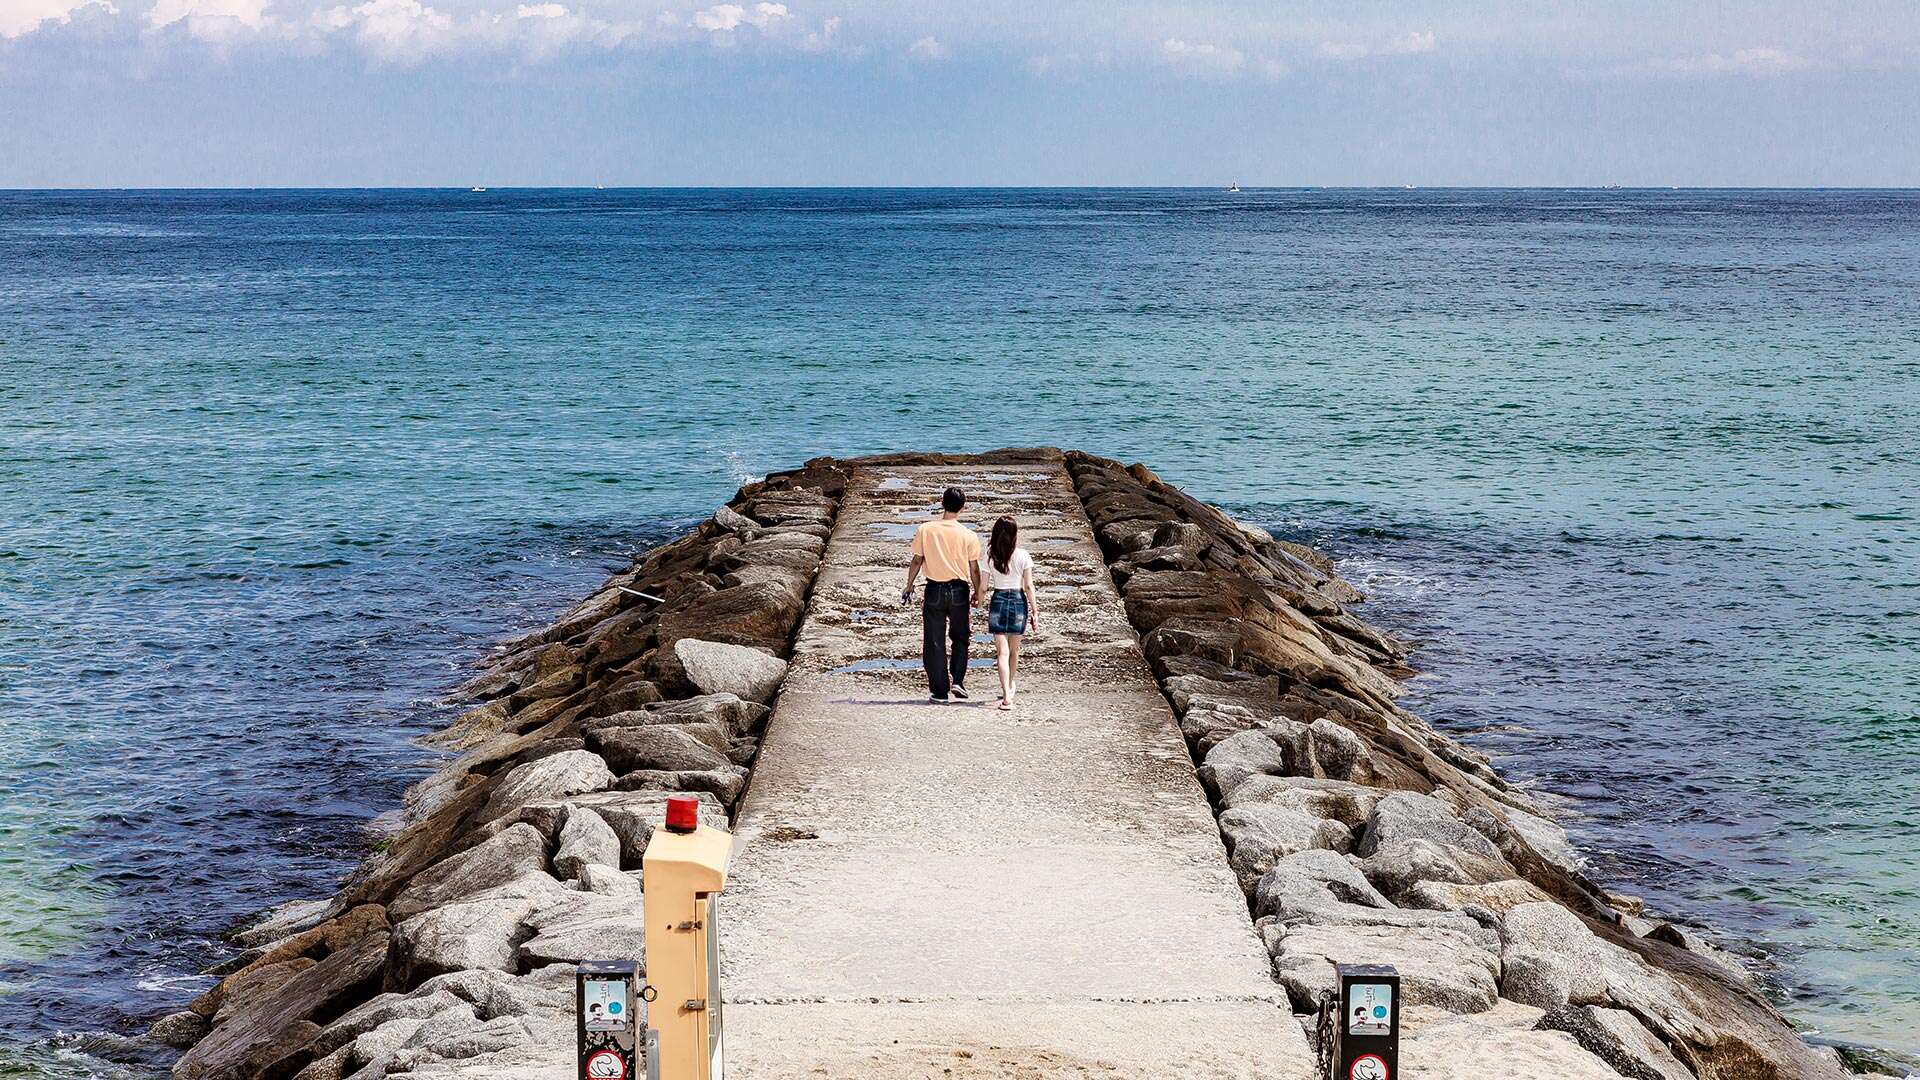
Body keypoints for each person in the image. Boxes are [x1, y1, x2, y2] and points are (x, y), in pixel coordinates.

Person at [901, 486, 983, 703]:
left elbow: (917, 560)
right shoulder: (969, 535)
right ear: (963, 508)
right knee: (961, 636)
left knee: (934, 640)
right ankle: (957, 679)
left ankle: (939, 691)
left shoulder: (926, 529)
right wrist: (978, 592)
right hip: (959, 589)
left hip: (934, 588)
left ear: (942, 503)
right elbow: (974, 568)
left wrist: (909, 585)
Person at [981, 515, 1039, 710]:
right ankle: (1011, 685)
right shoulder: (1023, 555)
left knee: (1001, 652)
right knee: (1014, 650)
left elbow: (983, 587)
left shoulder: (990, 555)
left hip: (998, 600)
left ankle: (1006, 693)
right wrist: (1035, 612)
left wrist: (979, 602)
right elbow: (1029, 586)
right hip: (1018, 600)